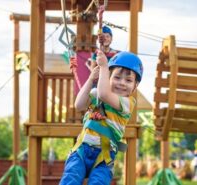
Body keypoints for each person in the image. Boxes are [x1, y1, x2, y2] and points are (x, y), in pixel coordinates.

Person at [59, 50, 143, 185]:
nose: (122, 83)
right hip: (81, 151)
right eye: (117, 77)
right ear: (108, 77)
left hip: (104, 157)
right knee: (70, 179)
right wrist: (91, 79)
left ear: (135, 86)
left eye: (128, 80)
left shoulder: (128, 103)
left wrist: (104, 66)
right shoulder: (96, 94)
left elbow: (105, 94)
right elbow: (79, 105)